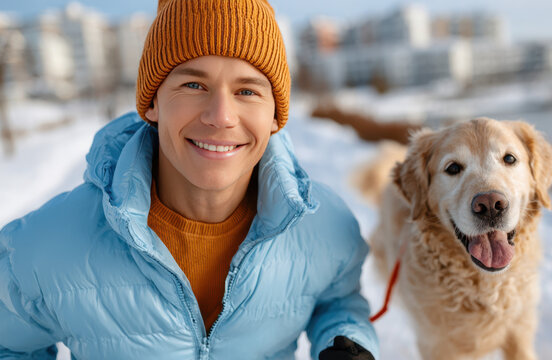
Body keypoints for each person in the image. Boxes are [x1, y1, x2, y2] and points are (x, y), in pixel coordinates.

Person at [0, 0, 378, 359]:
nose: (221, 116)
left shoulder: (324, 224)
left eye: (247, 91)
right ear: (152, 102)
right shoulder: (45, 245)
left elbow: (338, 299)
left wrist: (345, 340)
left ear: (276, 116)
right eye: (194, 85)